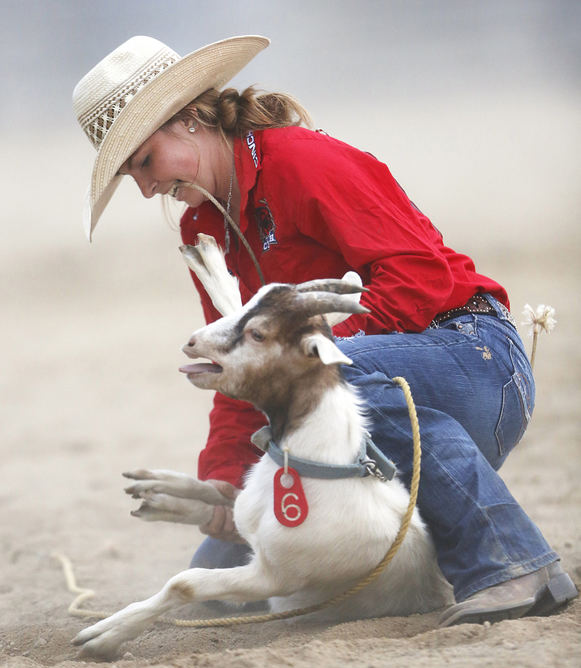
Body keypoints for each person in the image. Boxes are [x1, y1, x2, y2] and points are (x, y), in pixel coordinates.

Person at [73, 35, 577, 626]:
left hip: (477, 357)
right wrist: (222, 479)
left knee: (336, 385)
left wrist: (313, 354)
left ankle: (512, 565)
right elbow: (241, 370)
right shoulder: (204, 225)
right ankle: (493, 556)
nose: (145, 187)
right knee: (217, 579)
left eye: (144, 162)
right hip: (389, 391)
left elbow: (420, 276)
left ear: (186, 121)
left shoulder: (300, 161)